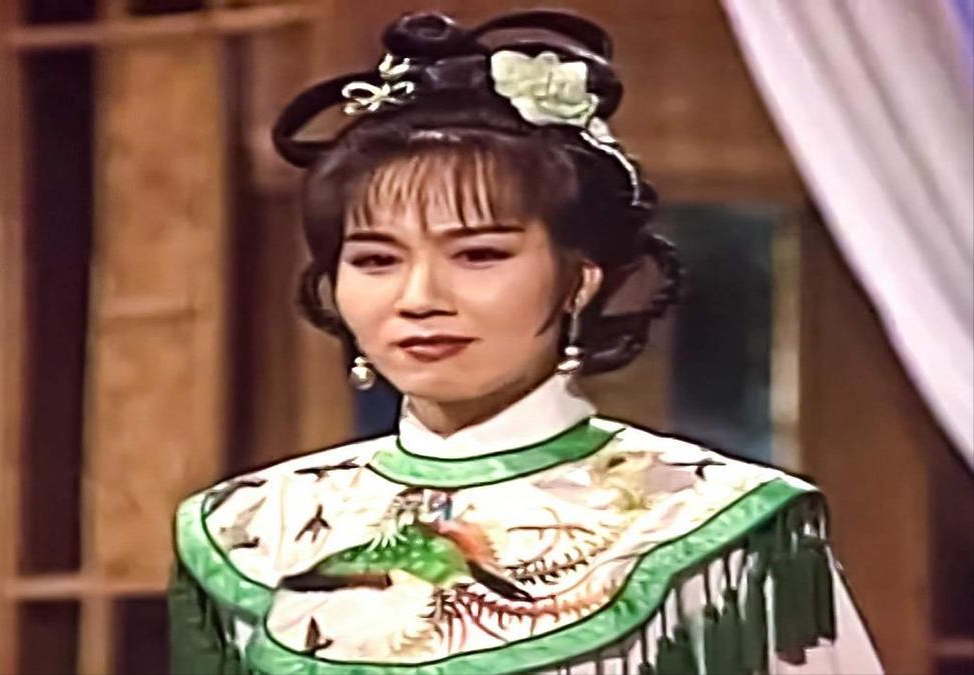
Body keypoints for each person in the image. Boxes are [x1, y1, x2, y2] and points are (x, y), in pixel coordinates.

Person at [168, 10, 882, 674]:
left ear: (578, 280)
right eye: (377, 260)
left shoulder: (715, 523)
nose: (419, 297)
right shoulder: (252, 528)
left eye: (478, 255)